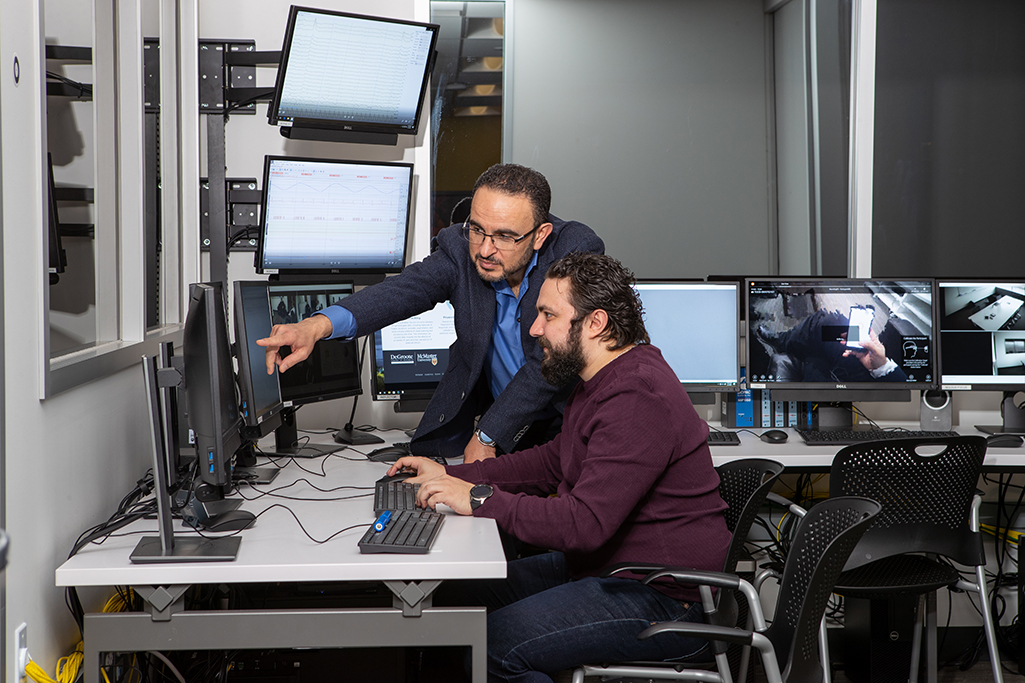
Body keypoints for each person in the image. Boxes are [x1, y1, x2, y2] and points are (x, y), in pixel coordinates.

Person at [388, 253, 730, 682]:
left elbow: (583, 523)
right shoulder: (602, 379)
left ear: (595, 323)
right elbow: (553, 461)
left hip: (666, 598)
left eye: (548, 315)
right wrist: (452, 476)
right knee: (453, 594)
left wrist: (477, 499)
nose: (534, 330)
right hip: (609, 569)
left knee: (493, 646)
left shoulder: (637, 395)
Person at [258, 164, 604, 462]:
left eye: (504, 237)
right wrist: (317, 326)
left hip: (568, 423)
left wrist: (487, 434)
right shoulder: (459, 249)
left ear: (540, 234)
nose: (485, 249)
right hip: (501, 428)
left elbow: (546, 364)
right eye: (477, 229)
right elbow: (403, 291)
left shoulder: (572, 252)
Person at [754, 308, 909, 383]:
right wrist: (881, 365)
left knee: (815, 359)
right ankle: (783, 342)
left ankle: (792, 347)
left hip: (864, 381)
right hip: (880, 365)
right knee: (826, 325)